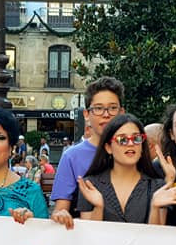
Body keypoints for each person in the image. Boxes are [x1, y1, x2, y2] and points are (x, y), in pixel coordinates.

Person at [71, 114, 176, 224]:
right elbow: (89, 233)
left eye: (136, 138)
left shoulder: (156, 186)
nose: (131, 144)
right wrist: (98, 207)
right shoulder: (90, 185)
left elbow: (157, 235)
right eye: (122, 139)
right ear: (108, 147)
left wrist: (154, 207)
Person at [50, 77, 126, 229]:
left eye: (112, 108)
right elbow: (61, 208)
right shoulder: (72, 156)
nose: (106, 114)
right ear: (86, 114)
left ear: (122, 112)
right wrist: (61, 215)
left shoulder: (133, 151)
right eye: (98, 108)